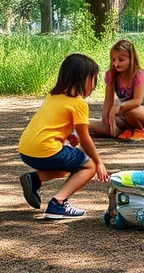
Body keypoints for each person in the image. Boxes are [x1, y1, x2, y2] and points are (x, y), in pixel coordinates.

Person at [18, 53, 109, 219]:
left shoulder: (53, 96)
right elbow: (85, 138)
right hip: (46, 150)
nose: (94, 85)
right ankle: (58, 203)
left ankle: (35, 179)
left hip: (26, 149)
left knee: (69, 166)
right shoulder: (78, 103)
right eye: (94, 79)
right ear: (85, 79)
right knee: (88, 166)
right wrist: (98, 162)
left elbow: (53, 124)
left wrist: (69, 135)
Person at [88, 39, 144, 141]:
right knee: (95, 123)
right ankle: (76, 125)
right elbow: (108, 101)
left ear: (132, 59)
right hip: (124, 114)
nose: (116, 64)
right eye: (113, 60)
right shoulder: (112, 75)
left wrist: (117, 108)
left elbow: (137, 101)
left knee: (129, 111)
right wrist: (107, 122)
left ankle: (139, 130)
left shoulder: (138, 74)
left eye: (121, 60)